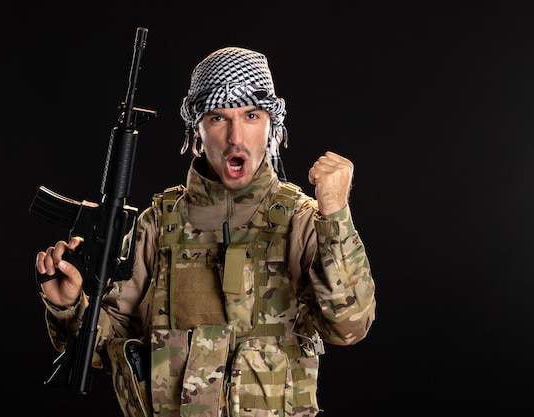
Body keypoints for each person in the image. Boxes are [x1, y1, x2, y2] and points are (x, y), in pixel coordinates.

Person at [35, 46, 377, 417]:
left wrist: (336, 213)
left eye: (251, 115)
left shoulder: (303, 221)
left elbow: (349, 326)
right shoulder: (158, 224)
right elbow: (109, 342)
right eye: (217, 117)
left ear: (272, 126)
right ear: (196, 128)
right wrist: (69, 305)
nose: (235, 137)